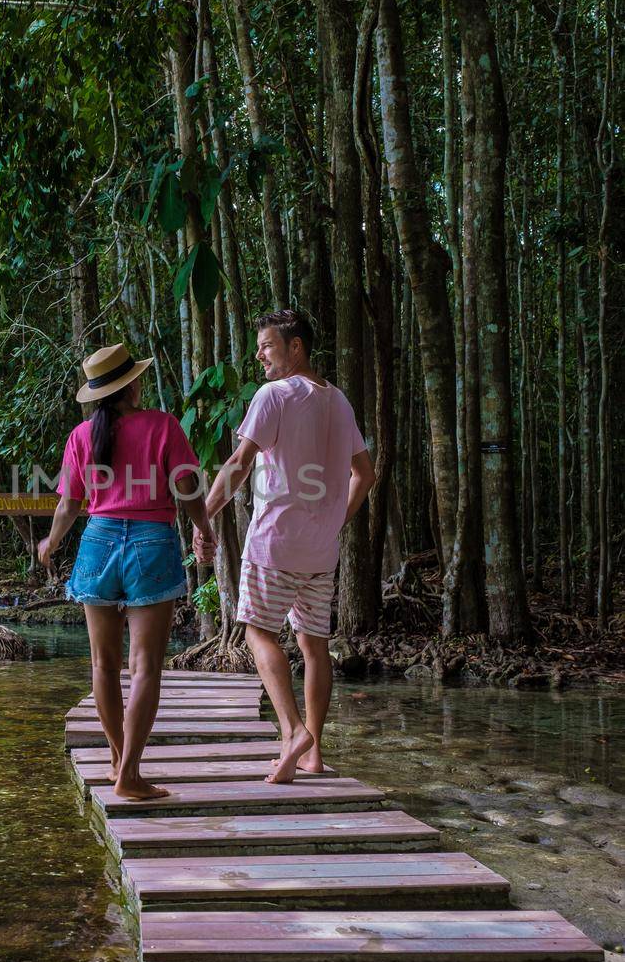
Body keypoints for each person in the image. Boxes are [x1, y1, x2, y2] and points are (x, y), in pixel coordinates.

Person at [194, 309, 375, 782]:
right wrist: (335, 518)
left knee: (257, 632)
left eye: (268, 346)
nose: (259, 356)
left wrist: (203, 518)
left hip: (273, 544)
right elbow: (366, 475)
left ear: (296, 347)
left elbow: (237, 463)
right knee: (314, 648)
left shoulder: (273, 395)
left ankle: (293, 730)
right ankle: (311, 754)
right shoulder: (339, 401)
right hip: (320, 551)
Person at [39, 343, 216, 801]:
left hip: (97, 543)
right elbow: (187, 488)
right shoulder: (162, 425)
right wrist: (203, 528)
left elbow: (69, 504)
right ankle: (130, 774)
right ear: (132, 383)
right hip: (151, 542)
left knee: (103, 664)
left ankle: (119, 758)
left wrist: (51, 542)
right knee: (145, 668)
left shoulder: (81, 435)